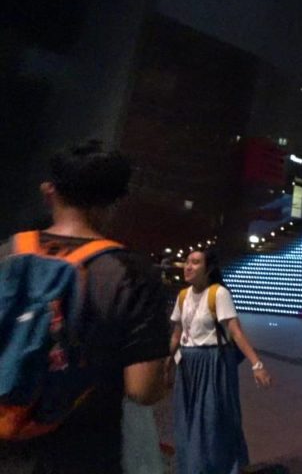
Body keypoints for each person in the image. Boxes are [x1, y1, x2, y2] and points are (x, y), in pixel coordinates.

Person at [0, 140, 168, 474]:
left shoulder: (7, 255)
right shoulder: (129, 273)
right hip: (82, 454)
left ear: (50, 191)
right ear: (113, 202)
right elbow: (142, 389)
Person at [168, 248, 272, 474]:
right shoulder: (183, 296)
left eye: (195, 263)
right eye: (187, 262)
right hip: (188, 365)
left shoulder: (219, 293)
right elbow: (177, 334)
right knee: (187, 421)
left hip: (213, 364)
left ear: (208, 269)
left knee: (213, 421)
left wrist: (257, 364)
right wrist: (166, 366)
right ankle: (193, 468)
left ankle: (223, 468)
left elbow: (235, 331)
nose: (188, 267)